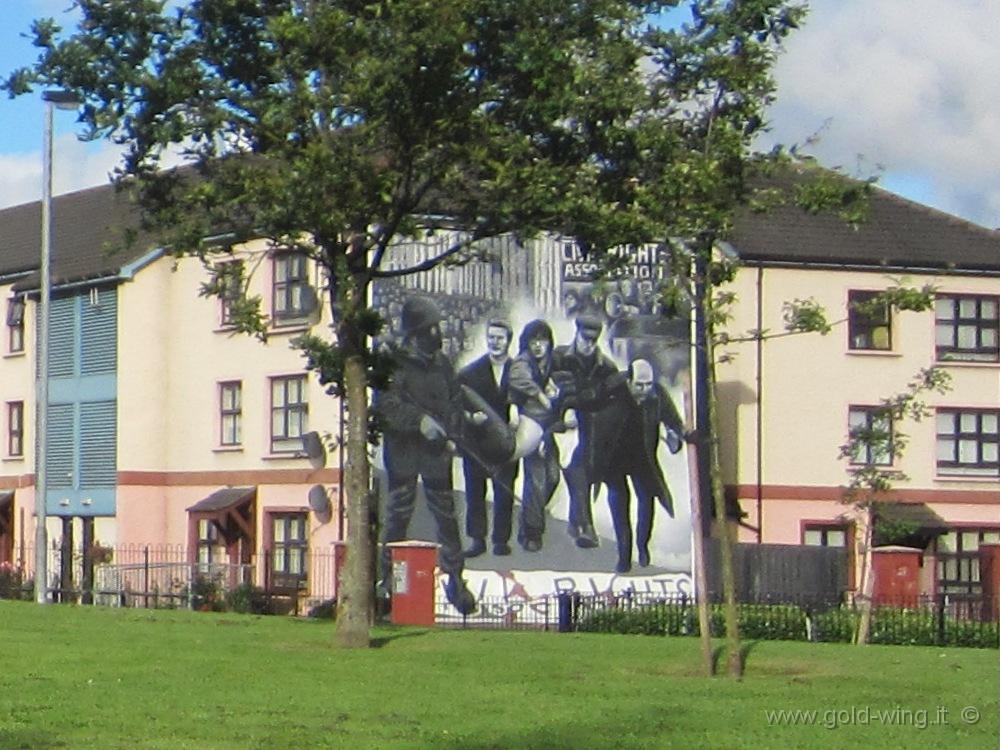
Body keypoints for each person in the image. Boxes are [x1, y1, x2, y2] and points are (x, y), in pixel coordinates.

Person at [373, 296, 476, 615]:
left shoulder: (442, 363)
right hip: (404, 455)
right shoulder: (394, 364)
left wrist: (454, 433)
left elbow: (455, 401)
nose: (437, 333)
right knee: (396, 519)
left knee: (447, 520)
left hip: (435, 456)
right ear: (416, 331)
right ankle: (384, 582)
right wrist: (419, 421)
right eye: (431, 327)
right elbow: (386, 406)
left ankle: (456, 580)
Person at [592, 359, 686, 573]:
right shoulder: (612, 392)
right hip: (614, 458)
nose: (644, 390)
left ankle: (642, 546)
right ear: (629, 381)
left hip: (642, 457)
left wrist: (677, 435)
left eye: (648, 385)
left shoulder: (657, 395)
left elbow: (674, 421)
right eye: (639, 385)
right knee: (619, 505)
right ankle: (624, 556)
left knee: (647, 499)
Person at [553, 315, 619, 549]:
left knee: (583, 473)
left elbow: (615, 397)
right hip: (561, 425)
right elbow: (545, 387)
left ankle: (579, 523)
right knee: (574, 471)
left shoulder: (606, 366)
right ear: (576, 333)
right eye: (585, 338)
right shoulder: (559, 357)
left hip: (592, 427)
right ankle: (584, 525)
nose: (588, 344)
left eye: (593, 340)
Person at [457, 320, 519, 557]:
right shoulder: (470, 372)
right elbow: (455, 404)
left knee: (504, 492)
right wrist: (471, 417)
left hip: (506, 444)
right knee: (475, 491)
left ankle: (501, 540)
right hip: (477, 442)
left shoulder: (519, 371)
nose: (495, 342)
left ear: (508, 341)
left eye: (500, 338)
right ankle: (477, 540)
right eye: (491, 337)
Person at [508, 319, 563, 552]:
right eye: (534, 341)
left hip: (549, 427)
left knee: (553, 478)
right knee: (537, 479)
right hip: (528, 425)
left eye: (543, 340)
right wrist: (539, 394)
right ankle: (532, 533)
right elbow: (518, 378)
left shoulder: (554, 362)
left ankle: (532, 515)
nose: (538, 346)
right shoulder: (523, 361)